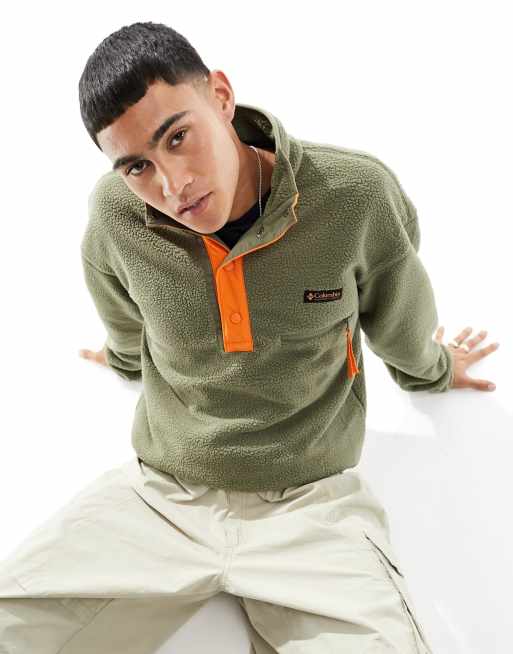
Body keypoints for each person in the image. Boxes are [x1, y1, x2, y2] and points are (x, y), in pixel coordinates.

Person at [0, 20, 499, 654]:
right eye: (137, 166)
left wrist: (433, 368)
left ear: (221, 96)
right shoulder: (116, 217)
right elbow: (125, 320)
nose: (172, 184)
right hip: (163, 496)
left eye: (178, 137)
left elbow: (398, 315)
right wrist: (121, 358)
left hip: (311, 505)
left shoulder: (353, 196)